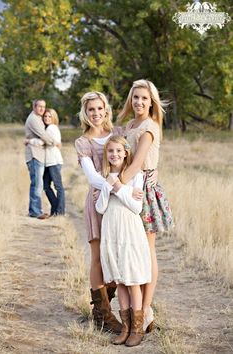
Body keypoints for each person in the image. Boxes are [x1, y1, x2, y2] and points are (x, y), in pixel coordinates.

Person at [117, 79, 174, 332]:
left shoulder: (150, 127)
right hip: (129, 189)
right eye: (136, 97)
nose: (139, 102)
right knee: (132, 250)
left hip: (143, 193)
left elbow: (139, 162)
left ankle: (146, 309)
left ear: (152, 102)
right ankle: (133, 306)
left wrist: (112, 186)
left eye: (144, 98)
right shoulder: (130, 125)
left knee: (147, 250)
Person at [75, 92, 124, 333]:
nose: (95, 113)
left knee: (116, 254)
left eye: (99, 108)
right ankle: (102, 314)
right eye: (91, 109)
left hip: (120, 202)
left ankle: (111, 309)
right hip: (98, 201)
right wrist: (116, 184)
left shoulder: (117, 134)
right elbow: (93, 177)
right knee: (97, 255)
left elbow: (132, 159)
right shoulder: (83, 142)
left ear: (106, 110)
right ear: (86, 113)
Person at [95, 135, 151, 347]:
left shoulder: (135, 177)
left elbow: (136, 207)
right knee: (119, 280)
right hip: (112, 231)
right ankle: (125, 327)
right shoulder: (106, 176)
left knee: (132, 279)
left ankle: (137, 328)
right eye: (111, 151)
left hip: (129, 231)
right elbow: (100, 207)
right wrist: (108, 186)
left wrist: (119, 187)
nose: (115, 155)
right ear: (106, 155)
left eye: (119, 151)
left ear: (126, 152)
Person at [26, 108, 65, 216]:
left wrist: (29, 141)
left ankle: (60, 212)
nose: (47, 118)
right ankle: (55, 208)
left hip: (54, 162)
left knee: (58, 187)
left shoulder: (51, 128)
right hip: (48, 162)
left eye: (49, 116)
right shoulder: (47, 128)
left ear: (54, 118)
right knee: (46, 186)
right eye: (45, 116)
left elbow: (42, 142)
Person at [25, 99, 56, 220]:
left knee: (38, 183)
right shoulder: (33, 119)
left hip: (38, 155)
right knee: (37, 184)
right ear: (34, 107)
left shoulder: (38, 118)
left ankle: (36, 210)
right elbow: (44, 136)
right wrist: (54, 142)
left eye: (44, 107)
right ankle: (35, 212)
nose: (42, 109)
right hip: (34, 155)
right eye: (40, 107)